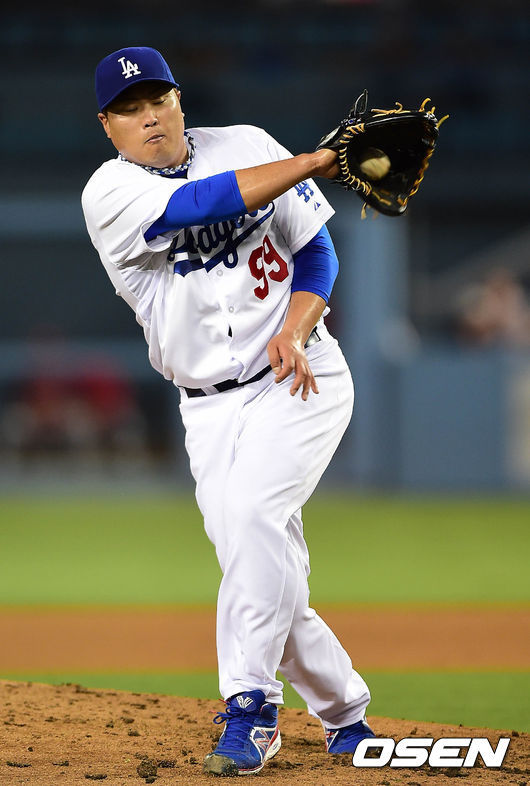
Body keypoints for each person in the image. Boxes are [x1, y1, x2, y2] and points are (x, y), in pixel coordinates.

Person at [82, 46, 374, 777]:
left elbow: (317, 253)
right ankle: (347, 715)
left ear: (179, 99)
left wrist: (296, 328)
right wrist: (312, 162)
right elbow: (200, 205)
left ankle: (251, 708)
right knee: (259, 566)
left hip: (301, 378)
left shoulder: (247, 143)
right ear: (108, 126)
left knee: (251, 520)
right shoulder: (109, 192)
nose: (148, 117)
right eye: (128, 110)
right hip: (207, 409)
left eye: (157, 99)